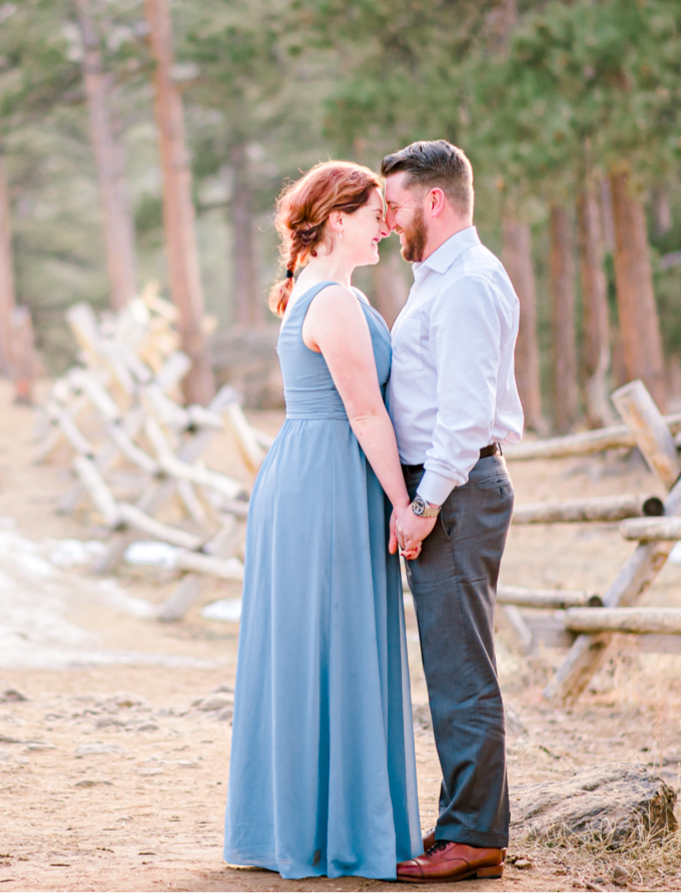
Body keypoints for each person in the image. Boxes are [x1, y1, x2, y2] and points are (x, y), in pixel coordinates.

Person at [224, 160, 422, 880]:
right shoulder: (333, 304)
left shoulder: (324, 292)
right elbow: (365, 411)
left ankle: (309, 822)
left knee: (315, 647)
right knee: (331, 643)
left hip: (314, 474)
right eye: (375, 211)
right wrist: (406, 504)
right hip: (329, 480)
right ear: (338, 218)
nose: (387, 223)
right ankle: (332, 832)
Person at [381, 140, 523, 884]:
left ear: (433, 201)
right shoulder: (440, 279)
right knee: (452, 665)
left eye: (396, 203)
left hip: (458, 494)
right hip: (451, 492)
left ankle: (473, 837)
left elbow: (466, 417)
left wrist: (426, 502)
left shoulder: (466, 282)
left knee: (460, 670)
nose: (388, 218)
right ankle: (464, 824)